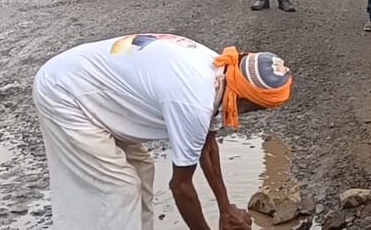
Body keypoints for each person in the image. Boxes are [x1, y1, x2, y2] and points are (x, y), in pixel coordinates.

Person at [32, 34, 293, 230]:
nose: (251, 114)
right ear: (246, 99)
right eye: (258, 109)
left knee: (142, 169)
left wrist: (225, 208)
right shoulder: (195, 101)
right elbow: (180, 187)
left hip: (97, 88)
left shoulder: (223, 72)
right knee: (119, 187)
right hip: (66, 92)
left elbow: (207, 146)